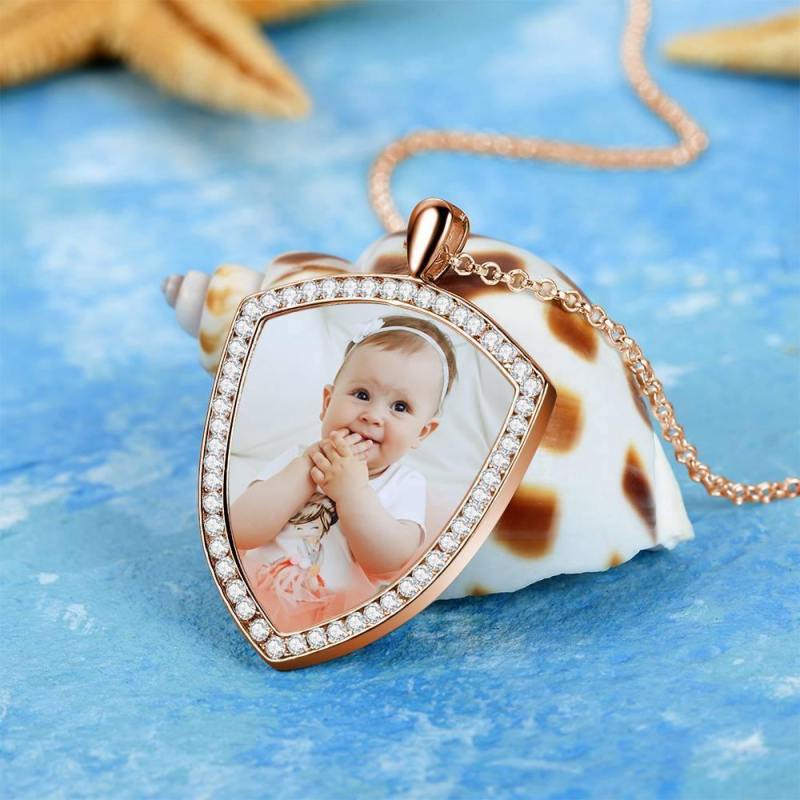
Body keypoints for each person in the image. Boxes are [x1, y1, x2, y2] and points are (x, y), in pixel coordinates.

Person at [230, 313, 458, 632]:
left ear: (422, 432)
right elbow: (239, 530)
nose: (373, 416)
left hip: (335, 616)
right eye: (362, 395)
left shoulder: (405, 484)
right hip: (258, 591)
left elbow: (388, 561)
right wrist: (307, 468)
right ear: (327, 402)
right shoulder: (297, 459)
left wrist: (353, 493)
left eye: (400, 407)